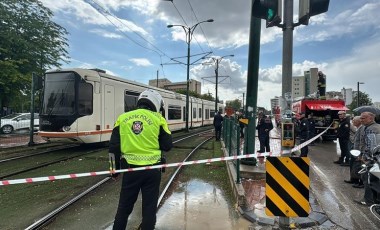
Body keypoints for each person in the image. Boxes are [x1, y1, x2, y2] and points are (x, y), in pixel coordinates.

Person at [109, 89, 173, 230]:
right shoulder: (159, 119)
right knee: (149, 209)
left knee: (124, 208)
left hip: (130, 170)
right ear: (156, 103)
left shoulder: (122, 118)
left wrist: (114, 170)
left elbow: (113, 147)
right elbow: (168, 146)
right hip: (152, 171)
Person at [354, 112, 380, 206]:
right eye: (360, 118)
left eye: (363, 118)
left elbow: (370, 147)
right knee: (376, 180)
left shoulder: (370, 129)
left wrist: (364, 159)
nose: (361, 120)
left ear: (371, 118)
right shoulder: (377, 127)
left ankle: (368, 200)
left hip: (371, 160)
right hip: (377, 160)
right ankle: (376, 200)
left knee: (368, 179)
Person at [344, 116, 362, 185]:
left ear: (359, 121)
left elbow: (361, 141)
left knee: (357, 165)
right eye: (353, 120)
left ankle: (357, 180)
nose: (353, 121)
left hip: (357, 150)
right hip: (354, 148)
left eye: (354, 120)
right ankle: (353, 178)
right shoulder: (358, 128)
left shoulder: (361, 128)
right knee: (352, 164)